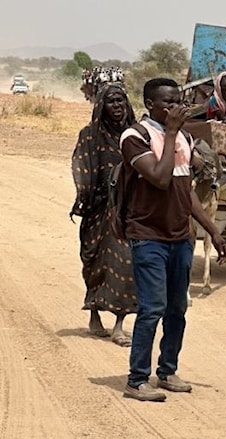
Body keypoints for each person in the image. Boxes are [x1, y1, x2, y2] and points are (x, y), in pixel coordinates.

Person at [119, 78, 226, 402]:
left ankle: (167, 371)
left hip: (180, 237)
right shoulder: (135, 137)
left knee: (177, 310)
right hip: (148, 236)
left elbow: (184, 190)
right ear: (150, 105)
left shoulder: (183, 137)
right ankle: (137, 380)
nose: (176, 108)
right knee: (152, 308)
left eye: (178, 101)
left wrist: (212, 229)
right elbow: (160, 177)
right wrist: (168, 133)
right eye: (168, 103)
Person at [70, 83, 138, 347]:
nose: (117, 106)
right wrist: (86, 199)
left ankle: (119, 325)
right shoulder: (89, 135)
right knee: (93, 263)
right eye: (111, 101)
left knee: (124, 263)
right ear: (101, 106)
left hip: (127, 211)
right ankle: (95, 315)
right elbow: (82, 171)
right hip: (97, 210)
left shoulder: (134, 135)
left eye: (121, 100)